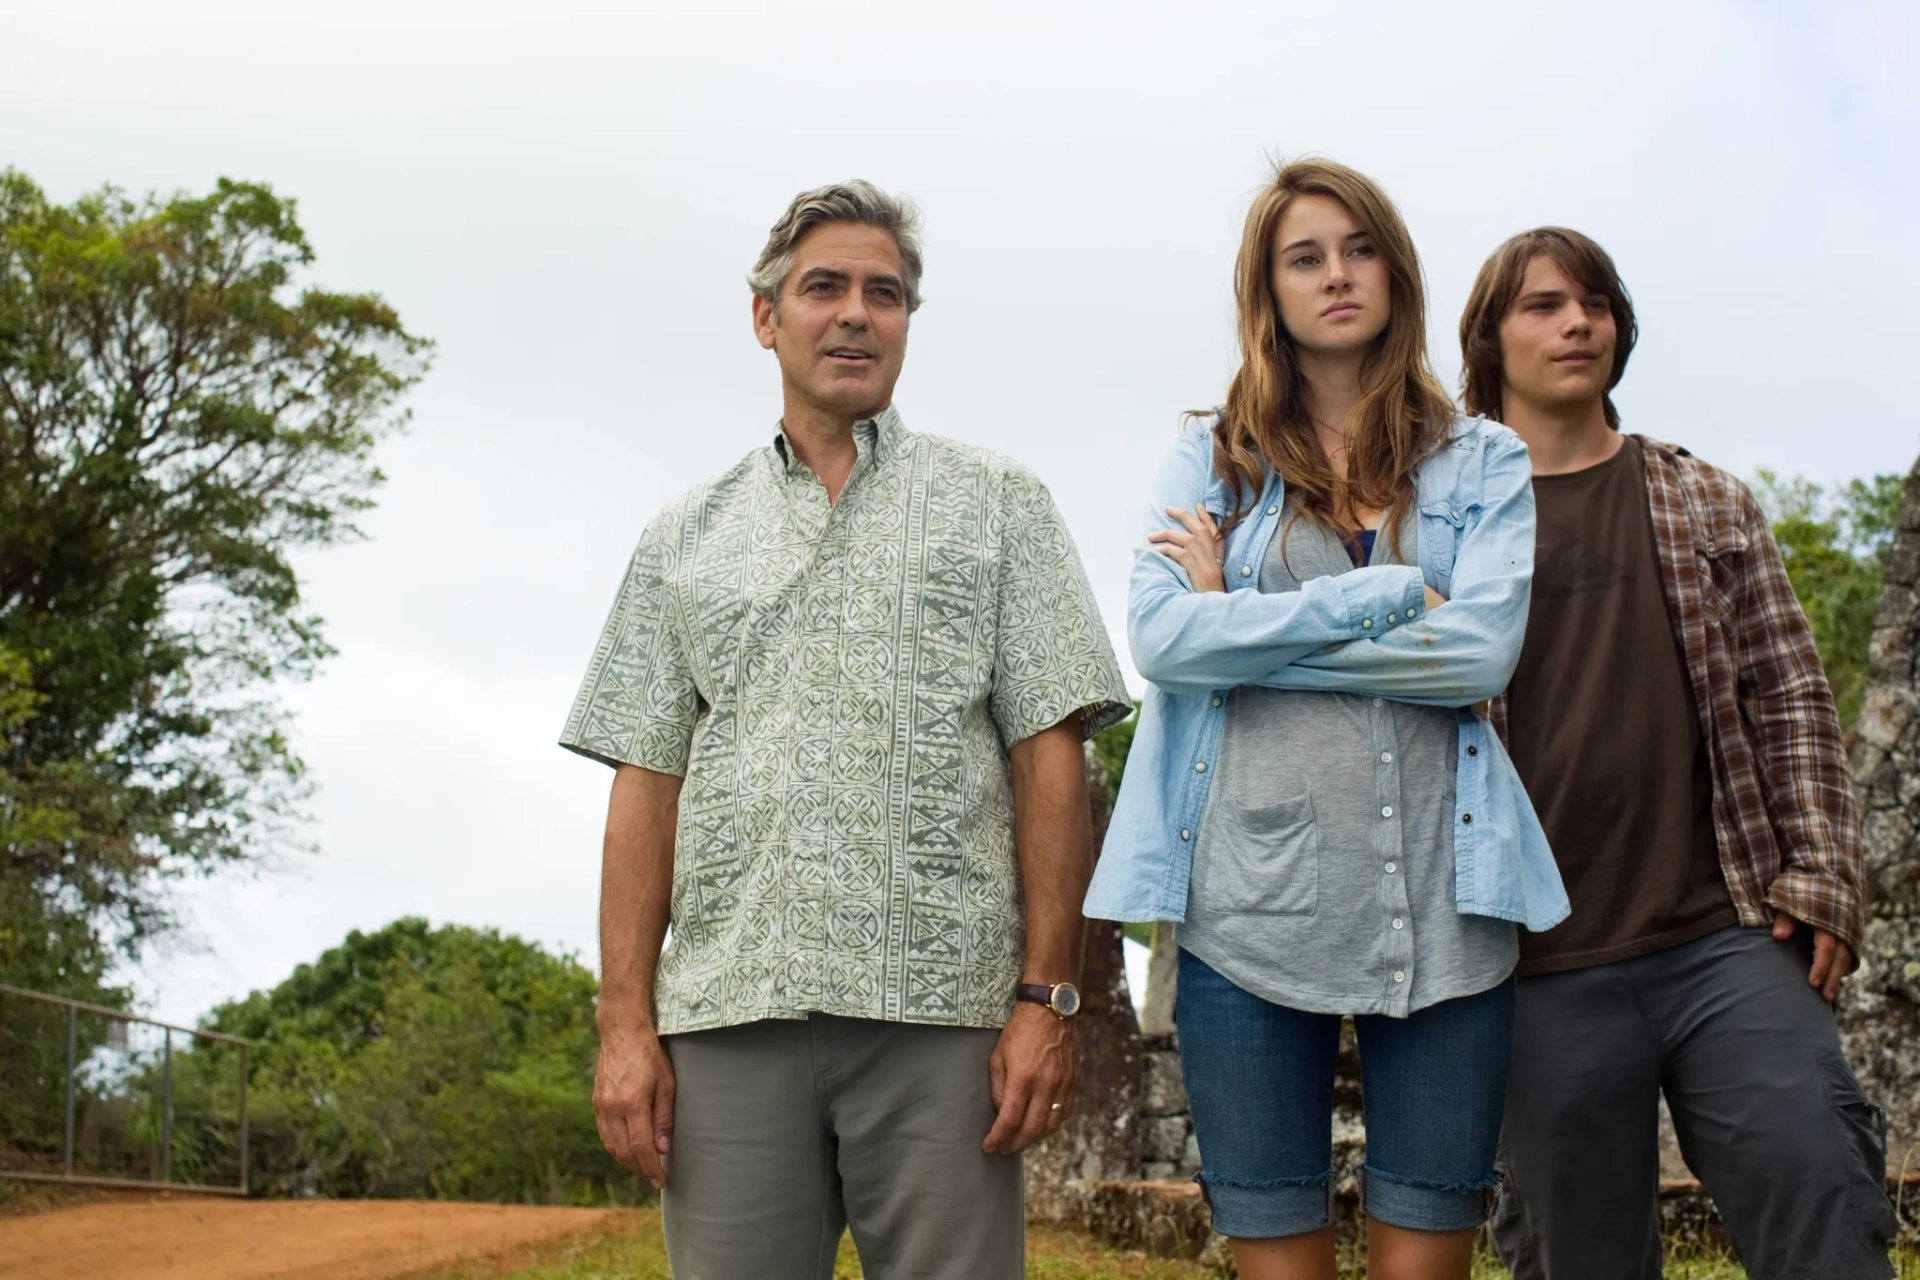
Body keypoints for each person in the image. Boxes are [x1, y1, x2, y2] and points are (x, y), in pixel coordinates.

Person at [562, 180, 1131, 1280]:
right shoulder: (683, 533)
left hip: (945, 1023)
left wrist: (1047, 997)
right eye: (824, 287)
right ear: (767, 316)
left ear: (910, 319)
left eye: (887, 292)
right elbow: (646, 780)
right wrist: (625, 1025)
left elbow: (1050, 754)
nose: (857, 312)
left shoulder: (999, 503)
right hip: (730, 1018)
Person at [1085, 158, 1567, 1280]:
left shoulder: (1483, 458)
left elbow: (1481, 656)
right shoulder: (1209, 456)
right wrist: (1386, 592)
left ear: (1394, 272)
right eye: (1306, 256)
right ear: (1271, 288)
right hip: (1248, 914)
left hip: (1445, 917)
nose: (1337, 275)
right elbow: (1161, 642)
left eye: (1359, 250)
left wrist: (1241, 624)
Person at [1459, 226, 1897, 1279]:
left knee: (1825, 1199)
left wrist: (1826, 871)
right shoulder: (1446, 521)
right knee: (1579, 1258)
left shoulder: (1705, 499)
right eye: (1546, 305)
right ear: (1489, 339)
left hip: (1728, 937)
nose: (1578, 323)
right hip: (1539, 965)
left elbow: (1791, 693)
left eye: (1596, 303)